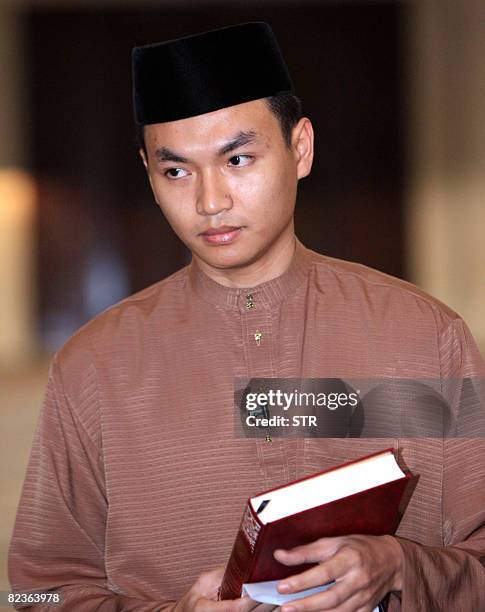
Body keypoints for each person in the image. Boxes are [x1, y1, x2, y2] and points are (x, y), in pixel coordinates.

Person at [8, 21, 485, 612]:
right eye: (176, 170)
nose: (210, 201)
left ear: (300, 149)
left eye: (238, 158)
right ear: (149, 174)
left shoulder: (424, 337)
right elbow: (33, 593)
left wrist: (400, 567)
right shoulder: (95, 365)